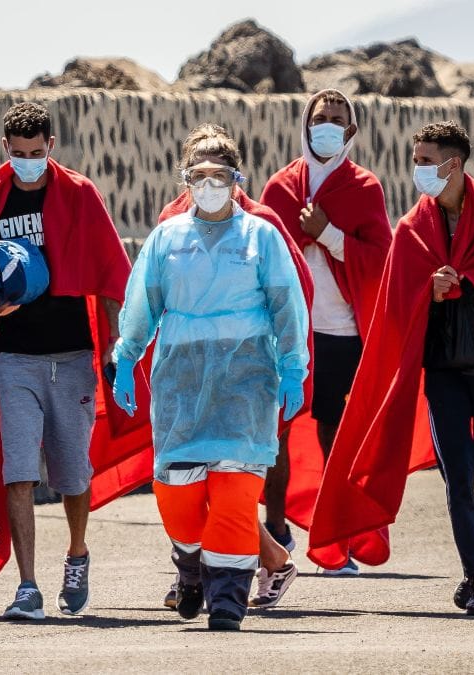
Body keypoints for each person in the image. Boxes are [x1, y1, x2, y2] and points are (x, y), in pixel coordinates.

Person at [307, 121, 474, 615]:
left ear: (454, 164)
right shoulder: (411, 230)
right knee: (458, 479)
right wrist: (427, 291)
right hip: (444, 374)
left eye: (427, 161)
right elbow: (394, 307)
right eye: (416, 159)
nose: (418, 169)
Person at [0, 102, 149, 620]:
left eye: (36, 151)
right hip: (14, 360)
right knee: (19, 472)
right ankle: (28, 586)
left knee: (73, 475)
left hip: (71, 356)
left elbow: (112, 274)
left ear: (52, 145)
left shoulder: (80, 194)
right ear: (6, 148)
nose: (28, 160)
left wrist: (116, 340)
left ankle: (76, 552)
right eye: (18, 153)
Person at [112, 129, 309, 630]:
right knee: (177, 494)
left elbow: (288, 305)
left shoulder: (261, 236)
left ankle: (227, 599)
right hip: (181, 384)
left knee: (236, 498)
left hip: (247, 384)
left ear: (236, 179)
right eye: (198, 176)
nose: (208, 184)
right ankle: (192, 566)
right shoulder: (167, 238)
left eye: (218, 175)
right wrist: (127, 358)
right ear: (185, 180)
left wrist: (292, 368)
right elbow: (142, 302)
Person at [259, 89, 392, 575]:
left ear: (351, 131)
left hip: (341, 331)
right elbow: (264, 255)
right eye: (320, 118)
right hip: (288, 333)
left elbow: (381, 258)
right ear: (305, 123)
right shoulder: (280, 187)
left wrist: (328, 233)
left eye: (337, 119)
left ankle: (339, 537)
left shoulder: (364, 187)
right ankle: (276, 532)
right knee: (277, 433)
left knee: (337, 437)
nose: (328, 125)